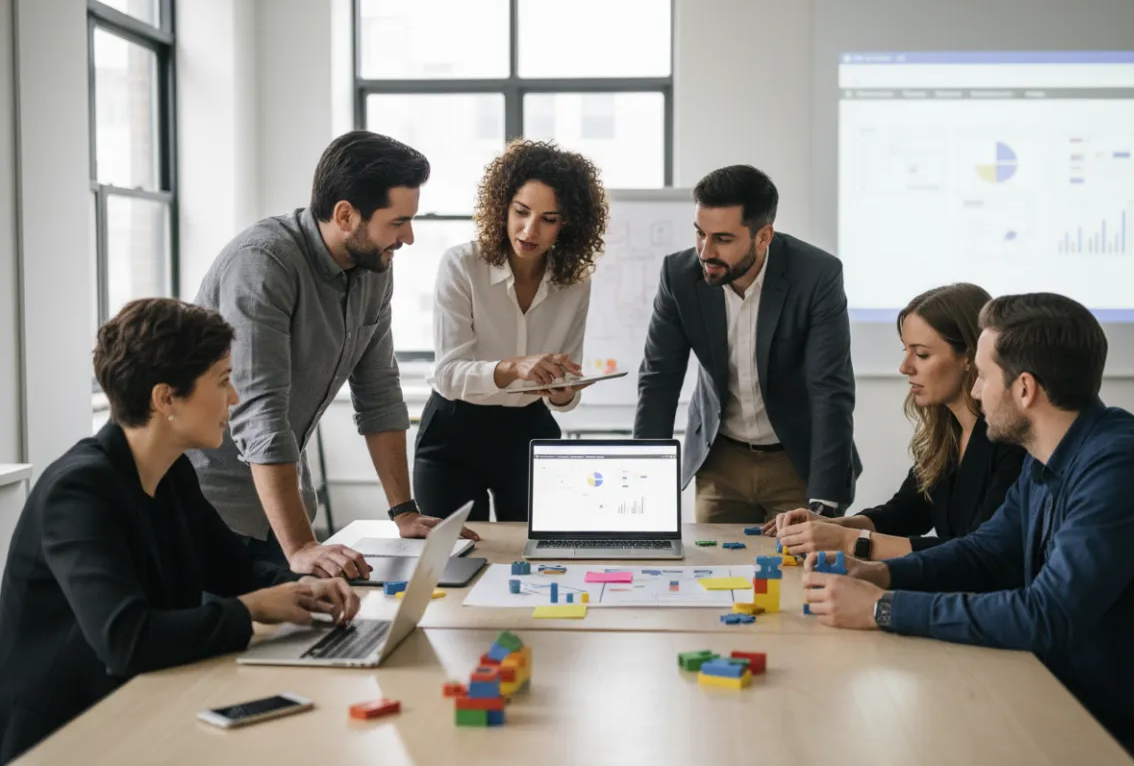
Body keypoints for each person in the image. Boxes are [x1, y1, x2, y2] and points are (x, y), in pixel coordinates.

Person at [801, 293, 1134, 765]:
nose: (975, 392)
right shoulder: (1047, 455)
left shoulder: (1120, 466)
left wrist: (883, 609)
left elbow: (1046, 615)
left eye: (985, 377)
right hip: (1059, 697)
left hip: (1125, 734)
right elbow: (985, 552)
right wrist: (878, 576)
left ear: (1025, 388)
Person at [0, 299, 360, 763]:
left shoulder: (170, 472)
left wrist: (310, 589)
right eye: (223, 380)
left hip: (139, 702)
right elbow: (127, 640)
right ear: (165, 398)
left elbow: (236, 566)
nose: (234, 398)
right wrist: (252, 608)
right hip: (64, 733)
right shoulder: (79, 490)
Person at [189, 131, 478, 581]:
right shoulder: (263, 263)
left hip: (282, 507)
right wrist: (302, 545)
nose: (409, 237)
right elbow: (259, 411)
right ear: (346, 214)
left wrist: (403, 511)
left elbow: (379, 389)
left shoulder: (373, 267)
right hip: (211, 512)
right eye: (398, 222)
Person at [634, 165, 860, 523]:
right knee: (711, 571)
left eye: (722, 239)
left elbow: (830, 389)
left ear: (763, 236)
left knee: (799, 572)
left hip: (795, 458)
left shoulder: (816, 275)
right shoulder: (679, 276)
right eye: (700, 234)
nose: (705, 251)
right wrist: (642, 483)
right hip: (720, 458)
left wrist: (825, 499)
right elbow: (659, 379)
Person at [415, 140, 608, 522]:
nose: (530, 229)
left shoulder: (575, 283)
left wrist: (564, 390)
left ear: (567, 224)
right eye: (521, 212)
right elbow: (449, 376)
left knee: (534, 558)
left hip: (528, 431)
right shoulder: (462, 265)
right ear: (502, 205)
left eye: (549, 219)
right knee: (455, 563)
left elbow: (564, 394)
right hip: (454, 431)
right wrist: (513, 367)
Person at [764, 284, 1025, 559]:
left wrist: (849, 542)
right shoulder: (947, 433)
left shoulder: (1011, 442)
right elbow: (904, 513)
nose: (905, 367)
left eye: (922, 354)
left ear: (971, 358)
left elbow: (978, 552)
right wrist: (829, 526)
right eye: (906, 351)